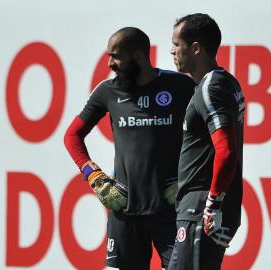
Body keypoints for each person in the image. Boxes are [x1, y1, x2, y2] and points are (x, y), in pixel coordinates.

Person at [64, 27, 195, 270]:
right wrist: (93, 175)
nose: (111, 63)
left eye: (116, 56)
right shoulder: (108, 91)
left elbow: (207, 139)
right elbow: (72, 136)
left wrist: (186, 178)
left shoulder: (180, 86)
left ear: (138, 56)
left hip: (171, 209)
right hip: (125, 210)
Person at [168, 13, 245, 270]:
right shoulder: (221, 83)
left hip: (199, 211)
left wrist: (213, 204)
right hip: (198, 210)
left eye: (177, 45)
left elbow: (226, 151)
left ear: (196, 48)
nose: (172, 51)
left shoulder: (211, 87)